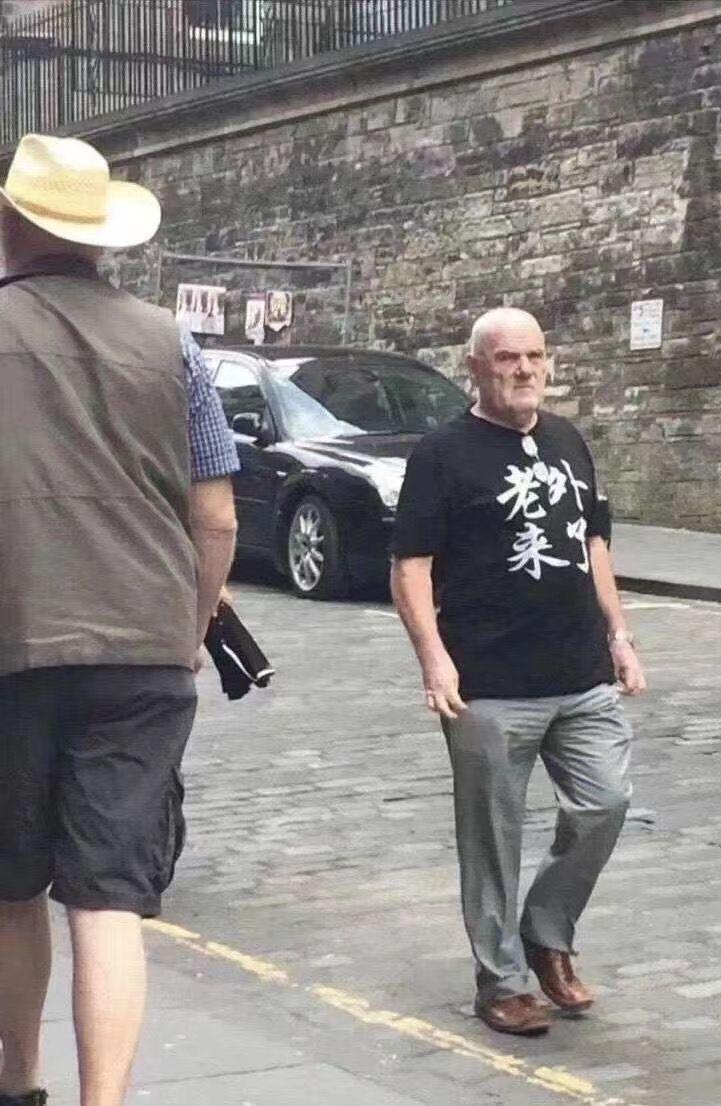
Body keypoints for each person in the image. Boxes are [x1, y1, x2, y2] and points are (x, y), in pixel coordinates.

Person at [0, 134, 239, 1106]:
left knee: (10, 889)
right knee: (107, 901)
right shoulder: (171, 344)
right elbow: (216, 515)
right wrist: (191, 624)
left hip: (13, 643)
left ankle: (20, 1078)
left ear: (9, 222)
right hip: (143, 652)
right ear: (101, 237)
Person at [391, 307, 646, 1037]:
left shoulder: (568, 440)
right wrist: (434, 659)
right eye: (507, 358)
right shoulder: (442, 455)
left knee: (604, 804)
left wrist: (619, 636)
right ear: (475, 368)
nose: (525, 370)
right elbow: (410, 566)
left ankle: (547, 932)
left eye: (535, 356)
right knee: (492, 839)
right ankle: (501, 981)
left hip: (581, 673)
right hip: (490, 684)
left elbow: (593, 544)